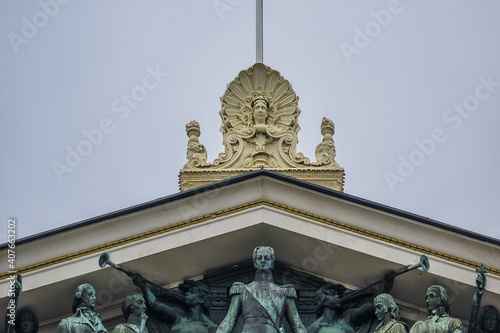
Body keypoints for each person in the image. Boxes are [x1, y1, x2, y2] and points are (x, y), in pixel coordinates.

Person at [216, 246, 307, 333]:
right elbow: (228, 322)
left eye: (266, 258)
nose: (263, 261)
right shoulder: (242, 290)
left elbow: (297, 325)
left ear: (272, 262)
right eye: (259, 258)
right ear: (255, 262)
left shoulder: (284, 293)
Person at [132, 275, 217, 333]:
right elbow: (154, 303)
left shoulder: (211, 327)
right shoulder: (177, 315)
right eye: (187, 292)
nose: (187, 294)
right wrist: (143, 286)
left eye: (192, 292)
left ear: (201, 299)